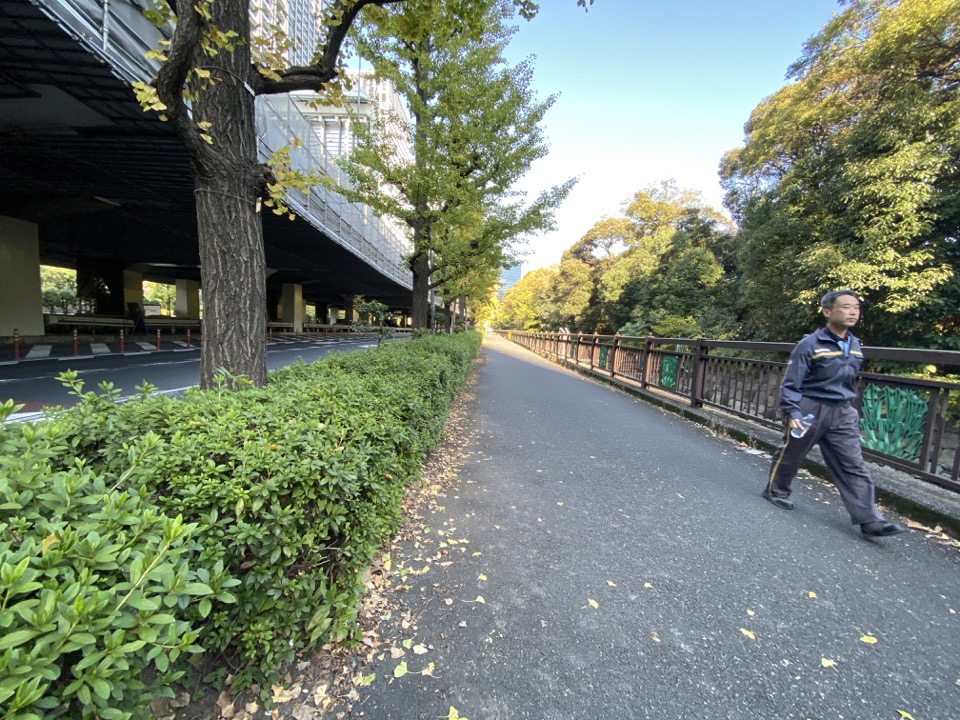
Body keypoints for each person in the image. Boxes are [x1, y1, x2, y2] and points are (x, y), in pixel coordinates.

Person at [763, 289, 905, 537]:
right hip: (810, 408)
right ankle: (776, 491)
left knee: (853, 463)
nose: (853, 312)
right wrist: (793, 410)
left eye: (856, 307)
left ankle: (870, 519)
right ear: (828, 312)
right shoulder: (809, 345)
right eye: (846, 307)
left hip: (842, 411)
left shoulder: (855, 344)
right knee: (792, 454)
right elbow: (792, 382)